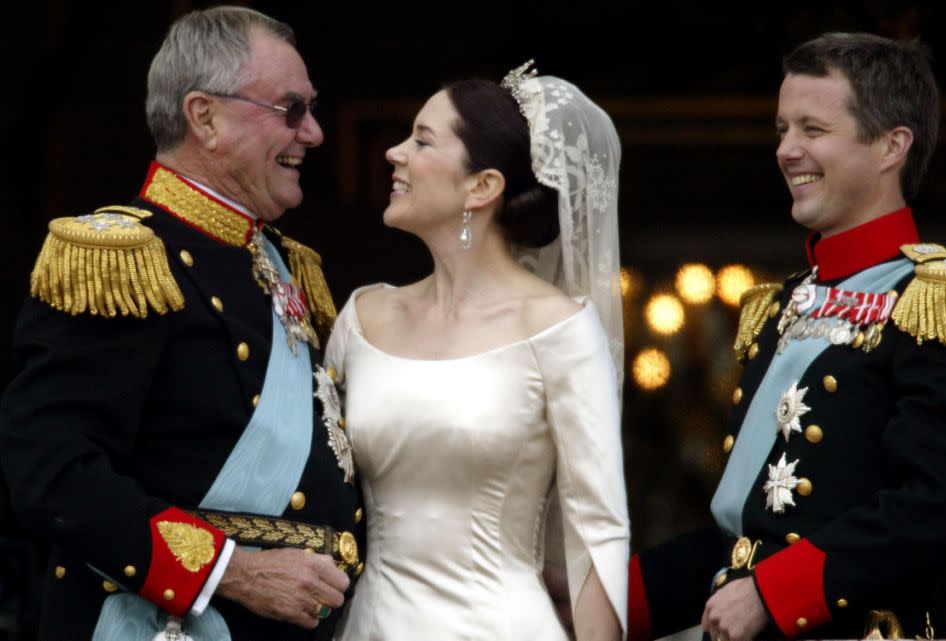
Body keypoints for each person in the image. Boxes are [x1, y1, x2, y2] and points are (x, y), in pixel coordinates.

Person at [0, 7, 362, 640]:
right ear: (205, 117)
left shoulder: (289, 266)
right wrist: (236, 573)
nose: (314, 133)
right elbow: (51, 470)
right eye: (291, 109)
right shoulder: (120, 258)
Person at [625, 32, 946, 641]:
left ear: (892, 145)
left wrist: (778, 595)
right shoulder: (780, 306)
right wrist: (608, 597)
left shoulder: (935, 301)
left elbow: (939, 505)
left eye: (813, 129)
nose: (786, 150)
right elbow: (745, 540)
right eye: (782, 128)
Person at [323, 63, 630, 641]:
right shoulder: (362, 317)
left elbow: (597, 534)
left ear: (482, 187)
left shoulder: (559, 329)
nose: (394, 153)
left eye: (421, 139)